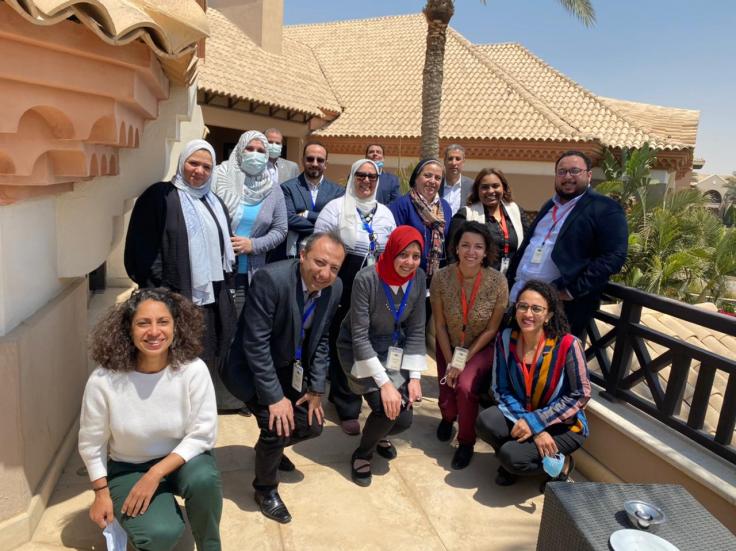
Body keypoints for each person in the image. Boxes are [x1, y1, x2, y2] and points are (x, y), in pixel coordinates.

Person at [79, 288, 222, 551]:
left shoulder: (193, 370)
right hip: (129, 466)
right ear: (128, 329)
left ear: (176, 327)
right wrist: (101, 492)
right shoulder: (104, 380)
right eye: (143, 323)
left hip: (181, 461)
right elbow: (91, 442)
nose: (154, 332)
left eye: (163, 322)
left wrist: (155, 474)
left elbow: (203, 433)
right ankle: (156, 513)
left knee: (204, 478)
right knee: (160, 534)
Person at [222, 232, 345, 524]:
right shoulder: (271, 280)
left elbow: (322, 338)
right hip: (249, 369)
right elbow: (255, 344)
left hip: (289, 366)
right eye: (320, 262)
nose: (325, 273)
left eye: (334, 268)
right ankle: (265, 489)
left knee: (313, 425)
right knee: (277, 425)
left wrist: (316, 388)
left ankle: (269, 451)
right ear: (302, 255)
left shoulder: (335, 288)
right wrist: (275, 398)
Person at [123, 139, 239, 411]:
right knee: (170, 366)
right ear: (181, 163)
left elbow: (224, 253)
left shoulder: (214, 202)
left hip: (209, 303)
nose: (199, 171)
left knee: (201, 366)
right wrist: (161, 294)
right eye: (193, 163)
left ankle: (195, 419)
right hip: (172, 302)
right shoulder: (160, 197)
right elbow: (143, 252)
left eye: (206, 166)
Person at [476, 280, 591, 491]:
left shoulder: (567, 345)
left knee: (511, 456)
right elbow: (500, 389)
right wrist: (533, 427)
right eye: (523, 306)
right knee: (486, 422)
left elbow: (581, 394)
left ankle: (561, 464)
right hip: (523, 414)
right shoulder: (506, 338)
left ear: (548, 315)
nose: (528, 314)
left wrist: (537, 422)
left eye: (536, 308)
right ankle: (514, 461)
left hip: (563, 424)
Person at [337, 226, 427, 487]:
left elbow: (416, 328)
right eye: (403, 254)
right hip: (359, 348)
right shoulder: (366, 279)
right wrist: (385, 384)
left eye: (415, 255)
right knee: (387, 408)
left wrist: (415, 377)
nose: (409, 262)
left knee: (404, 418)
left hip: (393, 349)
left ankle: (380, 435)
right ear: (391, 251)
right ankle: (363, 453)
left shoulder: (419, 278)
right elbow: (360, 337)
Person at [507, 150, 628, 339]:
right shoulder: (550, 205)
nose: (568, 177)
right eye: (562, 172)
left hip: (560, 309)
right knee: (516, 359)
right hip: (520, 301)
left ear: (588, 175)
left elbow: (614, 256)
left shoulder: (604, 208)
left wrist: (571, 291)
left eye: (574, 171)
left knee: (550, 364)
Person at [315, 158, 396, 435]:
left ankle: (371, 393)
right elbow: (320, 249)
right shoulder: (335, 209)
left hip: (376, 286)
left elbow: (392, 252)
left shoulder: (385, 213)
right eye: (360, 175)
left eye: (372, 177)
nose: (366, 181)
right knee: (344, 342)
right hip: (343, 284)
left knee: (369, 342)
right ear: (352, 177)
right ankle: (345, 403)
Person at [430, 221, 508, 469]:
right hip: (449, 344)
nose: (471, 252)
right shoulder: (441, 278)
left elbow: (492, 329)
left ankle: (466, 442)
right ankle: (447, 417)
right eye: (465, 245)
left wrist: (461, 362)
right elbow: (440, 325)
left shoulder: (498, 282)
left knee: (464, 387)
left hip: (480, 347)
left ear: (486, 251)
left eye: (478, 247)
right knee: (446, 392)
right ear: (456, 248)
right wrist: (450, 360)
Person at [214, 130, 287, 313]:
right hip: (216, 272)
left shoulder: (273, 190)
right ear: (240, 150)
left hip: (250, 276)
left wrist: (253, 245)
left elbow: (280, 229)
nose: (255, 154)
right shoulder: (218, 178)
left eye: (261, 151)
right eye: (250, 148)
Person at [448, 168, 529, 274]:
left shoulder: (516, 211)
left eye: (495, 186)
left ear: (503, 188)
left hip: (511, 282)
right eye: (485, 187)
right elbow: (452, 253)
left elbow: (528, 245)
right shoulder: (466, 214)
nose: (491, 191)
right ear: (477, 190)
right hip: (476, 281)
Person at [276, 142, 344, 259]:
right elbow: (289, 219)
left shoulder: (338, 192)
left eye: (320, 160)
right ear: (303, 161)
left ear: (326, 164)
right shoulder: (287, 188)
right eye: (310, 159)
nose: (315, 163)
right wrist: (324, 227)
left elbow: (338, 221)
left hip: (325, 255)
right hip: (293, 255)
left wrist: (307, 214)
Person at [388, 159, 452, 282]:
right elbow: (394, 243)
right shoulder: (402, 205)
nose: (432, 181)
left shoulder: (445, 208)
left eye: (438, 178)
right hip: (407, 276)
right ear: (416, 178)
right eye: (427, 175)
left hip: (436, 280)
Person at [442, 144, 473, 215]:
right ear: (444, 161)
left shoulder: (472, 186)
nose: (453, 163)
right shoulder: (436, 185)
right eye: (450, 159)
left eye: (458, 159)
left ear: (463, 162)